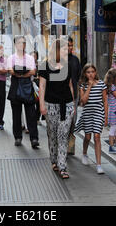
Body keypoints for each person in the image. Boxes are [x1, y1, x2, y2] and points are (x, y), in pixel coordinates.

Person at [39, 39, 75, 179]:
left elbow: (71, 85)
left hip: (67, 105)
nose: (69, 51)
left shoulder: (68, 65)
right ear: (58, 50)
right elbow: (42, 86)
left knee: (63, 136)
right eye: (66, 49)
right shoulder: (45, 65)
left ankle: (62, 167)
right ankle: (53, 160)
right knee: (52, 135)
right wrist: (42, 105)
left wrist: (73, 104)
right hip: (51, 104)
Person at [75, 64, 108, 174]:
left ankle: (99, 164)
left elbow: (105, 101)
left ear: (95, 72)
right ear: (85, 73)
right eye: (88, 72)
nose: (91, 74)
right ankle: (84, 153)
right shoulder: (83, 86)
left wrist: (106, 117)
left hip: (99, 112)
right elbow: (83, 101)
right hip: (87, 113)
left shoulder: (102, 84)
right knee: (88, 137)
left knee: (97, 137)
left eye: (92, 71)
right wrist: (89, 86)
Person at [7, 35, 39, 148]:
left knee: (31, 115)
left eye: (24, 43)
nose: (22, 45)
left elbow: (33, 71)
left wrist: (22, 74)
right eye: (20, 43)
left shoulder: (30, 58)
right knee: (16, 115)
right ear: (16, 45)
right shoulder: (11, 57)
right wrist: (20, 74)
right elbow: (10, 70)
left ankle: (34, 138)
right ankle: (18, 137)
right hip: (15, 87)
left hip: (27, 87)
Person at [67, 37, 82, 155]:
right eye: (68, 45)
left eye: (71, 45)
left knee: (73, 120)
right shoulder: (57, 60)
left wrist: (80, 95)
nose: (70, 48)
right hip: (61, 96)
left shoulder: (75, 60)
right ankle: (62, 144)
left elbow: (79, 79)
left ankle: (70, 145)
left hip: (74, 96)